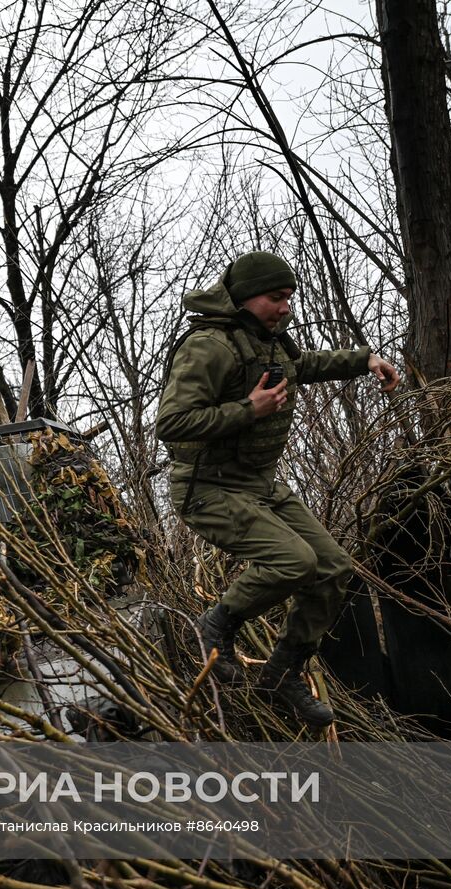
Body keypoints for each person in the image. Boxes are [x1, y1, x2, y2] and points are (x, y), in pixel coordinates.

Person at [155, 251, 399, 727]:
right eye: (276, 297)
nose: (286, 307)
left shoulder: (266, 342)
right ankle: (218, 625)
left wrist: (365, 359)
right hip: (207, 488)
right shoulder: (210, 346)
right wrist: (249, 409)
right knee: (294, 560)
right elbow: (172, 422)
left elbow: (303, 364)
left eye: (289, 297)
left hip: (260, 485)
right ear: (245, 298)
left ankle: (282, 673)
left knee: (332, 568)